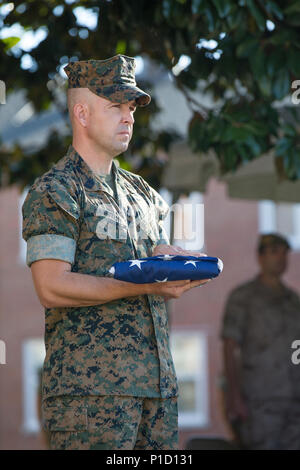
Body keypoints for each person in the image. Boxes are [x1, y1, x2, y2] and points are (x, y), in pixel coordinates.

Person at [22, 54, 210, 450]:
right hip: (90, 397)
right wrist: (143, 286)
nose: (128, 117)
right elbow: (52, 287)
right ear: (82, 114)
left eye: (131, 108)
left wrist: (169, 261)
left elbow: (153, 252)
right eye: (115, 107)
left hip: (157, 391)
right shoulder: (56, 190)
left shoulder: (143, 192)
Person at [221, 233, 300, 450]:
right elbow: (230, 345)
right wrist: (233, 396)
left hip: (294, 401)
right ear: (260, 257)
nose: (281, 258)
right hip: (259, 403)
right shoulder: (243, 298)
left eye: (285, 253)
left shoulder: (294, 301)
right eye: (274, 252)